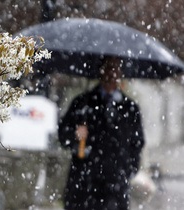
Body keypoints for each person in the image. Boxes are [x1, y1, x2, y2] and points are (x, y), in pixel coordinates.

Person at [58, 57, 145, 210]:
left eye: (115, 68)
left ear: (120, 72)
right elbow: (63, 136)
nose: (111, 73)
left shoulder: (130, 108)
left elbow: (137, 143)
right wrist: (75, 134)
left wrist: (127, 169)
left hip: (115, 185)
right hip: (84, 183)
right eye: (108, 67)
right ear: (100, 71)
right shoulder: (82, 103)